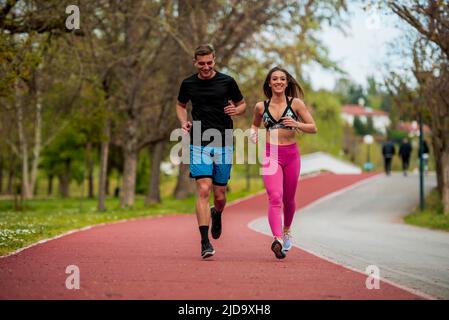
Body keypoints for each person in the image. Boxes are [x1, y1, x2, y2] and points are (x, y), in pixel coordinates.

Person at [176, 44, 246, 259]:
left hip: (224, 141)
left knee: (220, 195)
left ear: (214, 60)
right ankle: (205, 242)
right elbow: (180, 104)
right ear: (195, 62)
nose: (206, 67)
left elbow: (242, 104)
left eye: (209, 63)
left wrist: (237, 110)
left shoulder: (227, 81)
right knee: (204, 189)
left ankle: (217, 213)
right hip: (198, 141)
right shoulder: (188, 83)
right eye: (201, 63)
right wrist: (183, 121)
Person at [250, 66, 317, 259]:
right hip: (271, 153)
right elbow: (254, 125)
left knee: (288, 198)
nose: (278, 82)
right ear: (269, 83)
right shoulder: (260, 107)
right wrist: (253, 134)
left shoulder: (296, 104)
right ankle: (277, 239)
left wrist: (297, 124)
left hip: (291, 155)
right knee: (275, 196)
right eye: (275, 79)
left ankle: (286, 230)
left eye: (282, 79)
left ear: (287, 83)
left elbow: (313, 128)